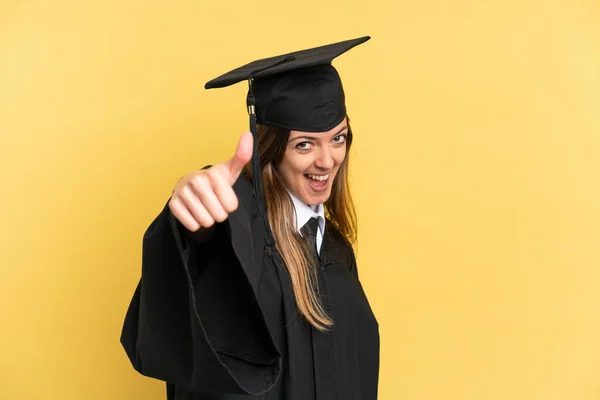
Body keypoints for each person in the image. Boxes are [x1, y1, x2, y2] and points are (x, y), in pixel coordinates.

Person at [120, 36, 380, 400]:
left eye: (338, 138)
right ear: (272, 149)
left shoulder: (336, 248)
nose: (327, 160)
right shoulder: (242, 230)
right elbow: (203, 259)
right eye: (304, 144)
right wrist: (192, 215)